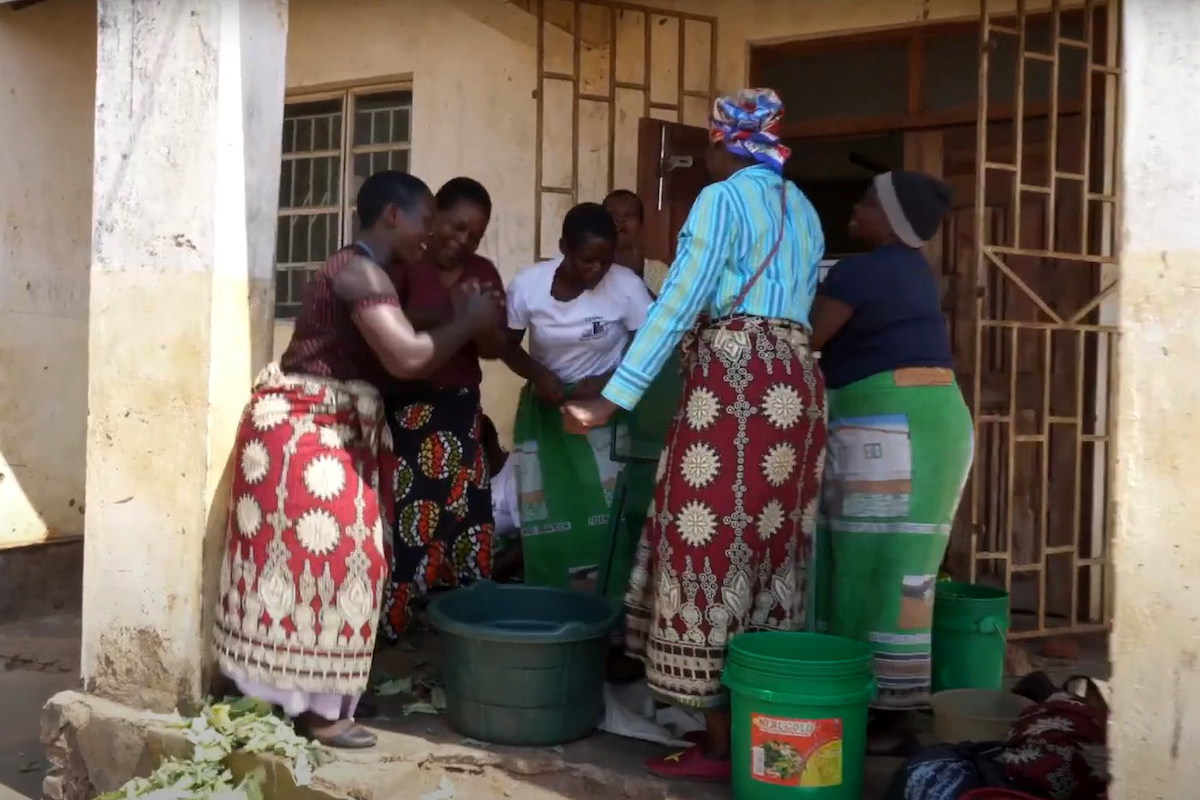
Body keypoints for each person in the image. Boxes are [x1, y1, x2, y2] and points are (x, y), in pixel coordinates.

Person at [563, 88, 827, 782]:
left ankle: (715, 743)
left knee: (703, 544)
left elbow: (679, 301)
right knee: (771, 553)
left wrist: (612, 399)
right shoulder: (804, 209)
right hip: (796, 390)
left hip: (734, 387)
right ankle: (763, 731)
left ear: (721, 144)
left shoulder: (721, 200)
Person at [211, 171, 502, 749]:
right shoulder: (357, 271)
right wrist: (467, 322)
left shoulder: (378, 274)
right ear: (393, 215)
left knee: (348, 563)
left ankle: (324, 691)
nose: (430, 233)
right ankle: (314, 709)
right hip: (303, 432)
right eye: (425, 220)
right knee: (329, 560)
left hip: (331, 432)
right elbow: (407, 358)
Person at [808, 170, 973, 754]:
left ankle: (880, 709)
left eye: (869, 202)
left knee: (873, 566)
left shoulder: (862, 272)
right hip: (929, 425)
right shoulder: (908, 271)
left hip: (893, 426)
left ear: (894, 221)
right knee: (899, 569)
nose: (856, 207)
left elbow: (806, 338)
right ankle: (885, 702)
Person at [379, 177, 508, 640]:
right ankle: (392, 625)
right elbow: (391, 323)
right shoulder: (406, 263)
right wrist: (461, 316)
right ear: (434, 218)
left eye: (475, 234)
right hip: (409, 412)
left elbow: (494, 347)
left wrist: (484, 324)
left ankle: (463, 628)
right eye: (457, 226)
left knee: (466, 520)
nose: (463, 240)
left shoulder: (483, 272)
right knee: (410, 521)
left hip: (461, 412)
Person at [503, 202, 653, 594]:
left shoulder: (626, 287)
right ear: (564, 248)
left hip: (607, 411)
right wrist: (538, 374)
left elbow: (650, 346)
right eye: (587, 260)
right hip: (548, 410)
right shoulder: (529, 286)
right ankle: (551, 600)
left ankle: (612, 602)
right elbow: (506, 345)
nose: (597, 270)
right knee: (549, 509)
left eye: (605, 261)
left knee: (607, 511)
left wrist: (607, 380)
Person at [603, 189, 671, 296]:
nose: (620, 220)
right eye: (612, 214)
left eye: (629, 215)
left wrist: (636, 274)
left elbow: (670, 306)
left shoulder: (658, 270)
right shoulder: (592, 267)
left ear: (641, 226)